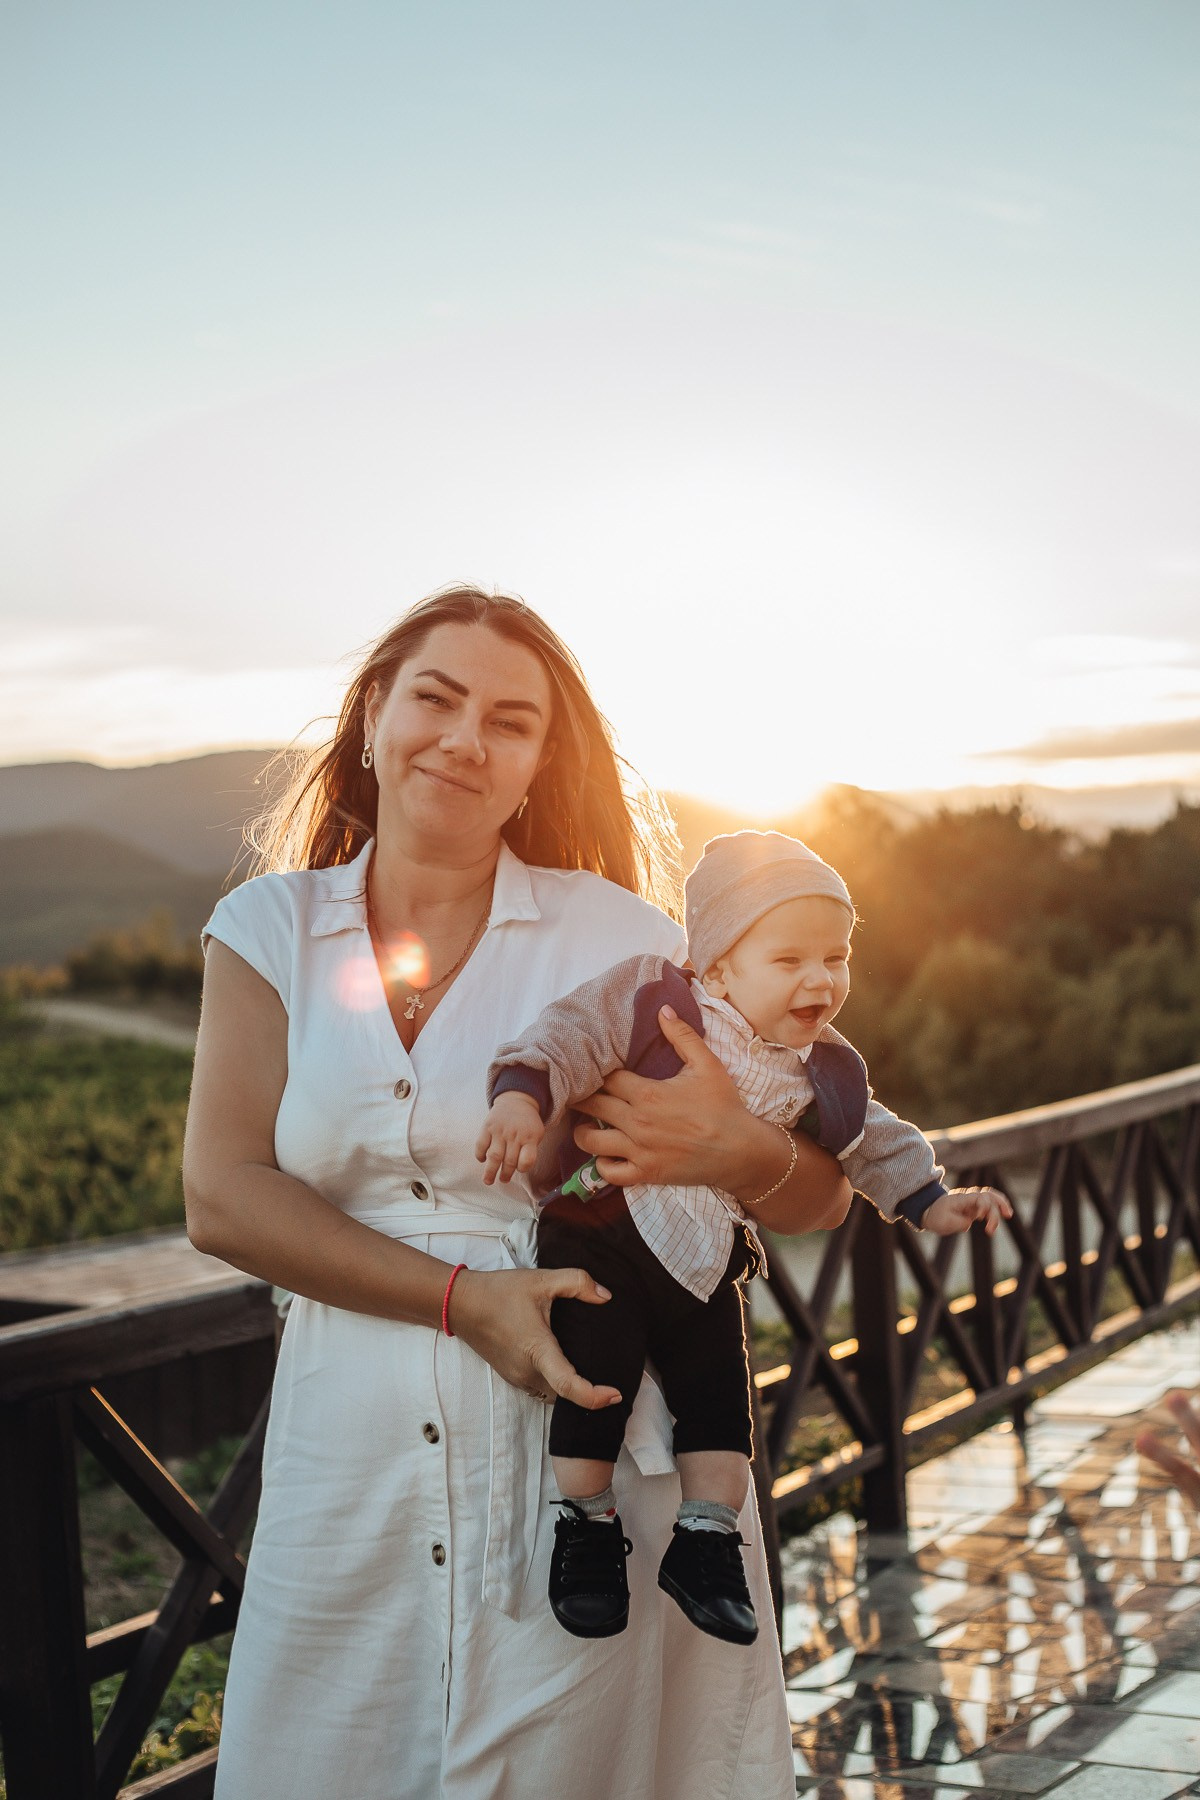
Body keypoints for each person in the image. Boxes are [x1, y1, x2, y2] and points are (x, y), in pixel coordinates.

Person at [183, 586, 854, 1800]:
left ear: (542, 760)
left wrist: (731, 1149)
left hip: (590, 1459)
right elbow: (223, 1197)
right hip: (354, 1456)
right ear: (376, 713)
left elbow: (817, 1195)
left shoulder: (620, 939)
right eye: (434, 700)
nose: (463, 739)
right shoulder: (269, 928)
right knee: (332, 1757)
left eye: (509, 720)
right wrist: (463, 1300)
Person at [478, 831, 1011, 1648]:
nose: (821, 979)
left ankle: (705, 1544)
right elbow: (570, 1033)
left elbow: (872, 1139)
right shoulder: (659, 1000)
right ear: (719, 965)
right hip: (604, 1231)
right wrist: (522, 1095)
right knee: (595, 1379)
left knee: (723, 1405)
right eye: (790, 959)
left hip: (704, 1258)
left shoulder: (821, 1068)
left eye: (836, 957)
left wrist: (933, 1199)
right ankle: (584, 1529)